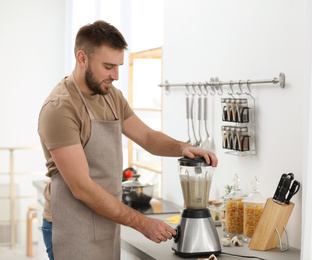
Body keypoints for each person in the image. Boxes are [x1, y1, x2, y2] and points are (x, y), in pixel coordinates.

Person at [37, 20, 218, 260]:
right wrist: (142, 223)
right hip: (71, 224)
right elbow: (82, 188)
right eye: (109, 66)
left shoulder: (111, 96)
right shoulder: (60, 108)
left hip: (107, 219)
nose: (116, 75)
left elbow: (147, 137)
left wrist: (183, 148)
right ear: (82, 59)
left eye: (119, 66)